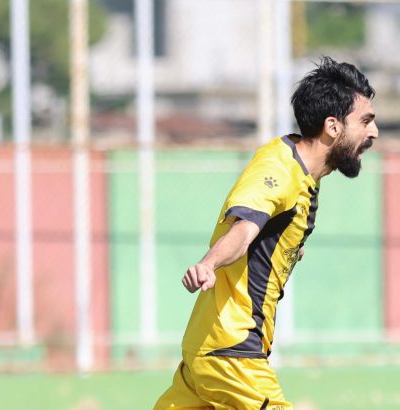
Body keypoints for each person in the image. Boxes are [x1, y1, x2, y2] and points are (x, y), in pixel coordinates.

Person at [154, 56, 378, 410]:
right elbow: (244, 229)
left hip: (212, 347)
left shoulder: (301, 174)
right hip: (231, 351)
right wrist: (208, 264)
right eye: (365, 121)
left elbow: (265, 234)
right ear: (333, 127)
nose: (374, 132)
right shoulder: (279, 170)